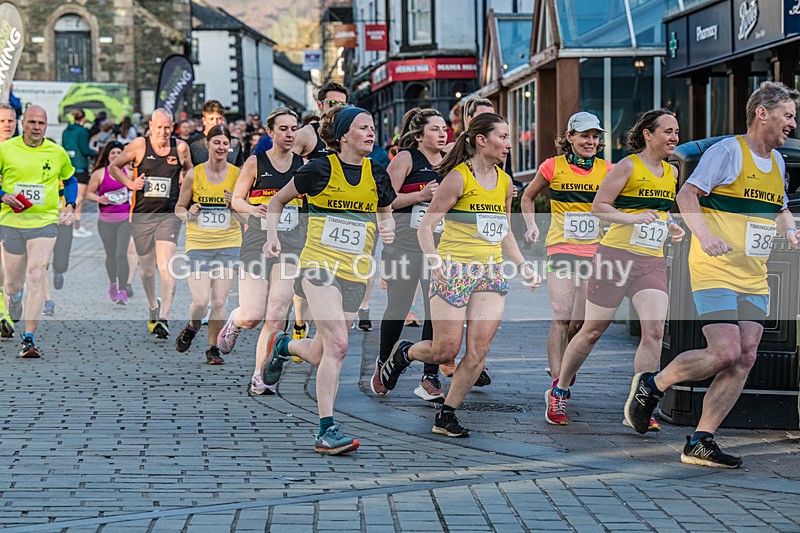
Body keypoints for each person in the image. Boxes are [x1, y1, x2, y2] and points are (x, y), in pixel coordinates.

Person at [625, 82, 800, 468]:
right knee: (724, 350)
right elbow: (687, 194)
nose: (792, 122)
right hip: (715, 268)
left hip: (754, 274)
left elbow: (781, 207)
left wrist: (789, 228)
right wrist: (704, 236)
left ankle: (701, 441)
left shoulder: (779, 162)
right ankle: (652, 385)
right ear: (762, 113)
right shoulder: (728, 152)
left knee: (746, 356)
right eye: (787, 115)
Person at [378, 113, 541, 437]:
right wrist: (435, 259)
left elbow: (504, 230)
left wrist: (523, 265)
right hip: (453, 270)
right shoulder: (458, 178)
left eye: (509, 137)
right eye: (503, 137)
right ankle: (405, 352)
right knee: (445, 351)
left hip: (491, 272)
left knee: (479, 350)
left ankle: (447, 413)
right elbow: (426, 227)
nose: (509, 144)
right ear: (482, 140)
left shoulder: (505, 182)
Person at [260, 106, 396, 455]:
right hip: (318, 268)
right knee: (338, 346)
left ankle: (283, 346)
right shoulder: (319, 169)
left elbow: (384, 207)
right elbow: (277, 201)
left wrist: (387, 226)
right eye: (362, 128)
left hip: (355, 273)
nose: (370, 133)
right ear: (343, 136)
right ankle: (326, 428)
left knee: (322, 352)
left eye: (372, 127)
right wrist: (271, 236)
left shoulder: (377, 173)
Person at [547, 109, 684, 427]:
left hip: (651, 261)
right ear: (648, 134)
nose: (674, 137)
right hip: (615, 258)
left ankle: (640, 405)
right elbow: (599, 207)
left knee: (654, 331)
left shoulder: (672, 173)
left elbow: (660, 212)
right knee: (592, 331)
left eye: (677, 131)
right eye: (668, 131)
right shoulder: (627, 166)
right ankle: (561, 389)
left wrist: (671, 225)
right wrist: (632, 218)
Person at [520, 112, 612, 392]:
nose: (591, 141)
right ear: (569, 138)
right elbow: (527, 196)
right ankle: (558, 385)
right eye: (584, 135)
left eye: (595, 136)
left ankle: (566, 364)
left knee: (579, 322)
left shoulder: (608, 170)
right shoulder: (552, 166)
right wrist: (531, 225)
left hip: (594, 252)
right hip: (560, 248)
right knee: (561, 316)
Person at [216, 107, 306, 390]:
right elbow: (237, 200)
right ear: (270, 132)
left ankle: (260, 376)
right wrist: (255, 209)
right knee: (253, 314)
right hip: (257, 242)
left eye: (293, 128)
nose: (289, 134)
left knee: (277, 311)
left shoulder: (303, 164)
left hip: (290, 243)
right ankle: (235, 319)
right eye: (283, 129)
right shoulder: (256, 163)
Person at [372, 107, 448, 403]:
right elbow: (385, 201)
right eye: (435, 129)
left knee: (436, 308)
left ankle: (430, 374)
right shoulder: (406, 158)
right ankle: (383, 362)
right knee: (399, 307)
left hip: (436, 246)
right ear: (418, 135)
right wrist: (420, 196)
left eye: (444, 129)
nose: (442, 134)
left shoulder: (448, 162)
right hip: (403, 244)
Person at [0, 105, 77, 357]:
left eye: (41, 123)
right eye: (32, 122)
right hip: (12, 222)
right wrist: (3, 196)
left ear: (46, 126)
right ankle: (13, 299)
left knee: (35, 274)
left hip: (44, 222)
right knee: (11, 284)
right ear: (23, 123)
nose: (36, 127)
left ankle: (29, 339)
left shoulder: (56, 152)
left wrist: (70, 204)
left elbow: (70, 180)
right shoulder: (6, 149)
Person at [109, 108, 193, 339]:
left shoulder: (181, 147)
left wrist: (185, 185)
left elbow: (190, 171)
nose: (163, 132)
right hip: (142, 216)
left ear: (173, 125)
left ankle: (164, 318)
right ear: (151, 126)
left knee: (165, 266)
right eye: (159, 128)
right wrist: (130, 183)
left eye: (167, 127)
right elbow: (114, 167)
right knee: (146, 271)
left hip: (169, 215)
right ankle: (153, 306)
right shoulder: (138, 145)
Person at [173, 125, 241, 364]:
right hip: (199, 243)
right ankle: (192, 326)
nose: (221, 147)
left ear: (229, 146)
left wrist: (235, 205)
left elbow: (247, 216)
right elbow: (179, 209)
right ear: (208, 144)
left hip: (229, 242)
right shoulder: (194, 174)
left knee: (220, 301)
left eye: (225, 143)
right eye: (217, 143)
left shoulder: (238, 175)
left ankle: (213, 348)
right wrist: (189, 212)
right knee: (201, 302)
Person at [84, 141, 132, 305]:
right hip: (105, 221)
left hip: (124, 219)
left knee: (121, 254)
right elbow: (89, 193)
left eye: (119, 152)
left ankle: (123, 290)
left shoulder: (129, 173)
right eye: (113, 153)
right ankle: (113, 285)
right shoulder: (99, 173)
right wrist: (100, 198)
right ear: (107, 155)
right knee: (111, 256)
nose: (116, 155)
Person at [61, 109, 97, 238]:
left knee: (69, 197)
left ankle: (73, 225)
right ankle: (75, 225)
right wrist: (95, 151)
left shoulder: (65, 131)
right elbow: (85, 149)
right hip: (80, 167)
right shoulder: (82, 131)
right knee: (79, 198)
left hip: (67, 167)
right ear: (84, 119)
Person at [292, 82, 348, 160]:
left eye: (342, 104)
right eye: (332, 103)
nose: (337, 108)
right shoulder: (306, 134)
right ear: (320, 105)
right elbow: (286, 166)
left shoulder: (348, 133)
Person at [0, 103, 18, 337]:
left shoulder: (24, 148)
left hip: (21, 218)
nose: (7, 125)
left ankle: (14, 298)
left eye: (10, 121)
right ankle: (3, 313)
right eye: (2, 121)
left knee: (13, 274)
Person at [190, 100, 244, 167]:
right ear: (204, 121)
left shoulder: (235, 143)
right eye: (211, 119)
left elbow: (240, 167)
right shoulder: (193, 144)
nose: (215, 122)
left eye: (219, 118)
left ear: (223, 119)